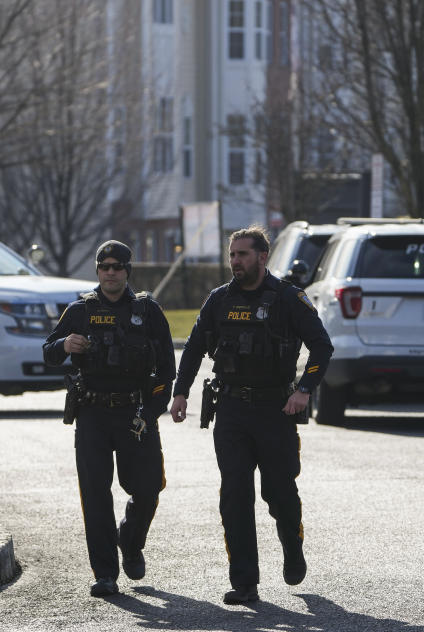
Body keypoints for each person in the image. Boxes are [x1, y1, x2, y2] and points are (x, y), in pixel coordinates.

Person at [169, 225, 334, 605]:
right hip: (231, 411)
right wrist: (180, 393)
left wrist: (304, 390)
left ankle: (292, 548)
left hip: (275, 410)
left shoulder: (288, 298)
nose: (235, 261)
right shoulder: (218, 300)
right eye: (231, 255)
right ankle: (245, 582)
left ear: (262, 257)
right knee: (235, 495)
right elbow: (193, 349)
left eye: (242, 254)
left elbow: (322, 348)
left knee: (279, 493)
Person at [43, 240, 175, 598]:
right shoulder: (80, 310)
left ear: (127, 271)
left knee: (147, 490)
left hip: (135, 413)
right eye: (105, 266)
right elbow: (49, 353)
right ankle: (105, 574)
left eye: (117, 266)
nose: (111, 272)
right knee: (96, 495)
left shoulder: (147, 311)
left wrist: (151, 412)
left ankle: (130, 542)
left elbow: (166, 370)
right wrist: (64, 345)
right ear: (98, 270)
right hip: (93, 414)